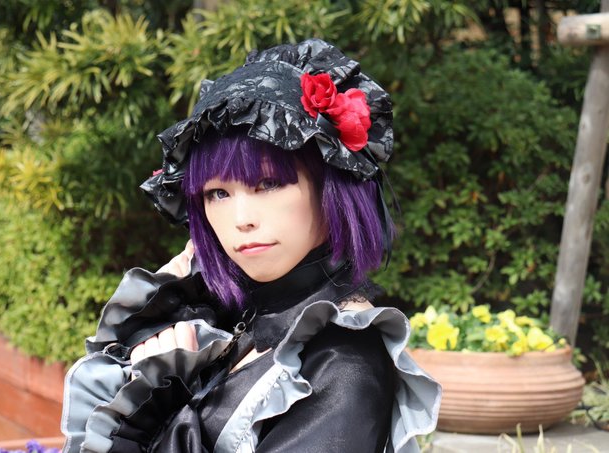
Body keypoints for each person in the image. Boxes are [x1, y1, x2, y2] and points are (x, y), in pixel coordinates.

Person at [61, 38, 440, 453]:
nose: (241, 219)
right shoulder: (231, 321)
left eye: (269, 183)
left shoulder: (344, 366)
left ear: (332, 189)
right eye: (218, 193)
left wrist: (152, 416)